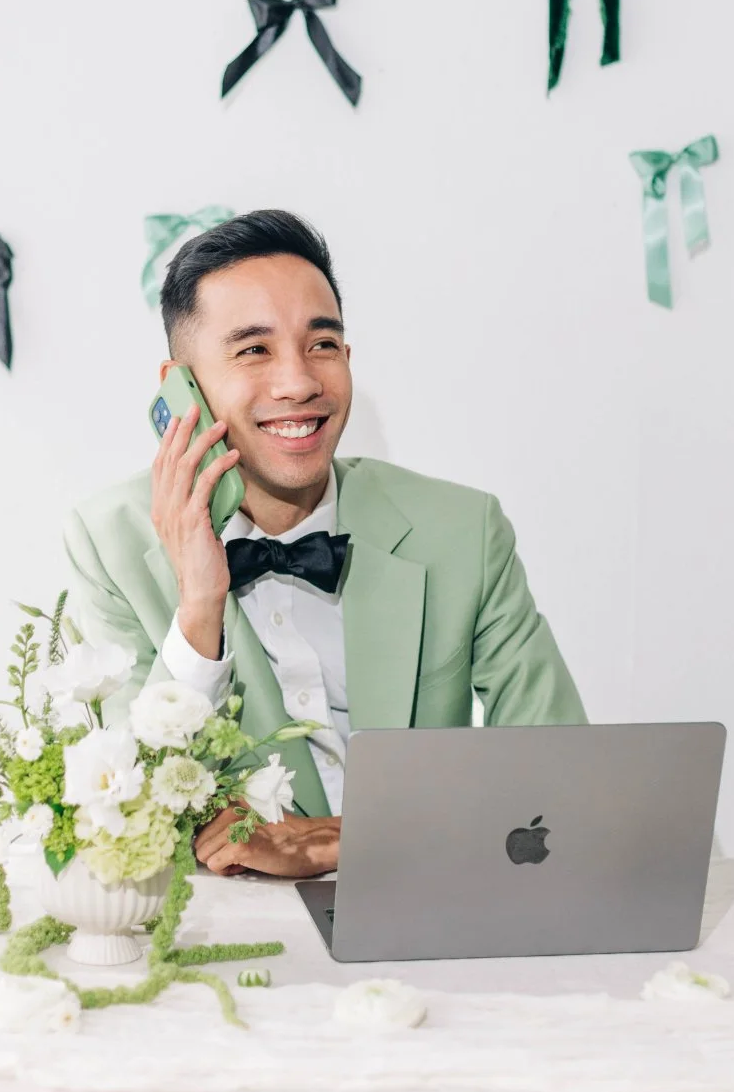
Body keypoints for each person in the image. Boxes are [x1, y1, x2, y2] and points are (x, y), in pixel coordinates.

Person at [65, 209, 586, 879]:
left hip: (429, 903)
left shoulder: (462, 530)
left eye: (322, 345)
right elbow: (127, 820)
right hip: (227, 935)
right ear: (181, 385)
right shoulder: (108, 542)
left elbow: (559, 771)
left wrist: (361, 837)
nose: (299, 382)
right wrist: (199, 606)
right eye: (254, 350)